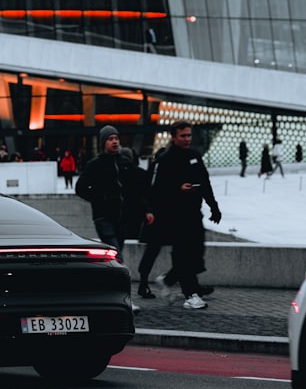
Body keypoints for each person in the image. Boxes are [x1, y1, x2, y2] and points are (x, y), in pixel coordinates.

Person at [149, 121, 222, 310]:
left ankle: (169, 279)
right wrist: (177, 189)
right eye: (183, 136)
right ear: (173, 137)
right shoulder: (165, 160)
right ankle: (191, 294)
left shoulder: (195, 157)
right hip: (174, 216)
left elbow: (205, 184)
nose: (187, 139)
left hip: (193, 214)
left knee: (197, 252)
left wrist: (214, 207)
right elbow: (157, 191)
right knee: (184, 255)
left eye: (189, 135)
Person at [75, 126, 154, 265]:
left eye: (116, 138)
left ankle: (108, 281)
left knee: (114, 255)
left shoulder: (125, 163)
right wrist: (98, 199)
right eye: (110, 139)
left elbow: (135, 189)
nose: (115, 142)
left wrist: (146, 210)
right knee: (116, 254)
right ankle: (122, 283)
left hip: (122, 216)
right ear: (103, 143)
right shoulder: (95, 164)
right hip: (103, 217)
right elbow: (80, 188)